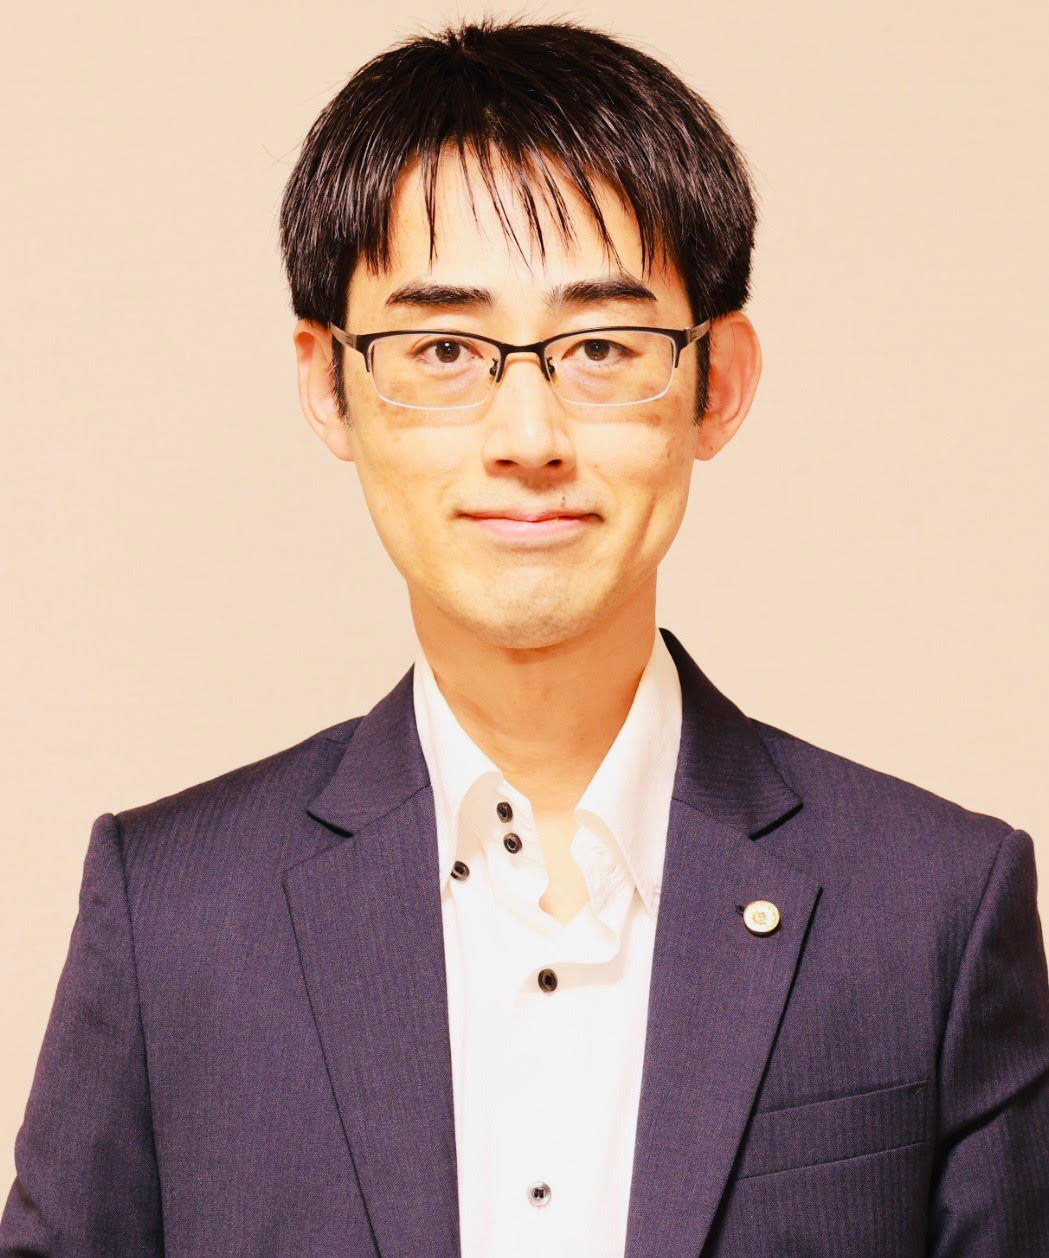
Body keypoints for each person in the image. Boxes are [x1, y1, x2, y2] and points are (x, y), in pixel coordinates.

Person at [2, 17, 1047, 1257]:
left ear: (715, 382)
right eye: (443, 349)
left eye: (600, 346)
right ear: (328, 384)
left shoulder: (931, 906)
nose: (526, 436)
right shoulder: (170, 910)